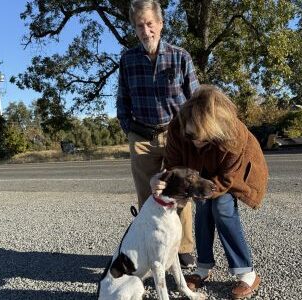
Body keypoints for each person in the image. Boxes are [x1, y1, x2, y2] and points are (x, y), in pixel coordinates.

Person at [150, 85, 269, 299]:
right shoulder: (178, 126)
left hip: (232, 174)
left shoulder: (233, 134)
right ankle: (203, 268)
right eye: (191, 135)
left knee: (222, 207)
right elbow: (173, 165)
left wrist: (201, 190)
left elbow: (226, 179)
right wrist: (163, 181)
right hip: (200, 175)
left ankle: (246, 272)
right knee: (203, 208)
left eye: (203, 138)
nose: (196, 142)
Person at [116, 0, 200, 268]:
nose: (146, 30)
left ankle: (183, 248)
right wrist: (129, 129)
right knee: (149, 196)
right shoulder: (127, 60)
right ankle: (151, 247)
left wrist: (192, 134)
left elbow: (196, 100)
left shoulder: (180, 57)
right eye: (140, 25)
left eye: (150, 23)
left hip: (176, 136)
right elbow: (122, 100)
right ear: (135, 28)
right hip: (141, 137)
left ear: (161, 24)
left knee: (182, 193)